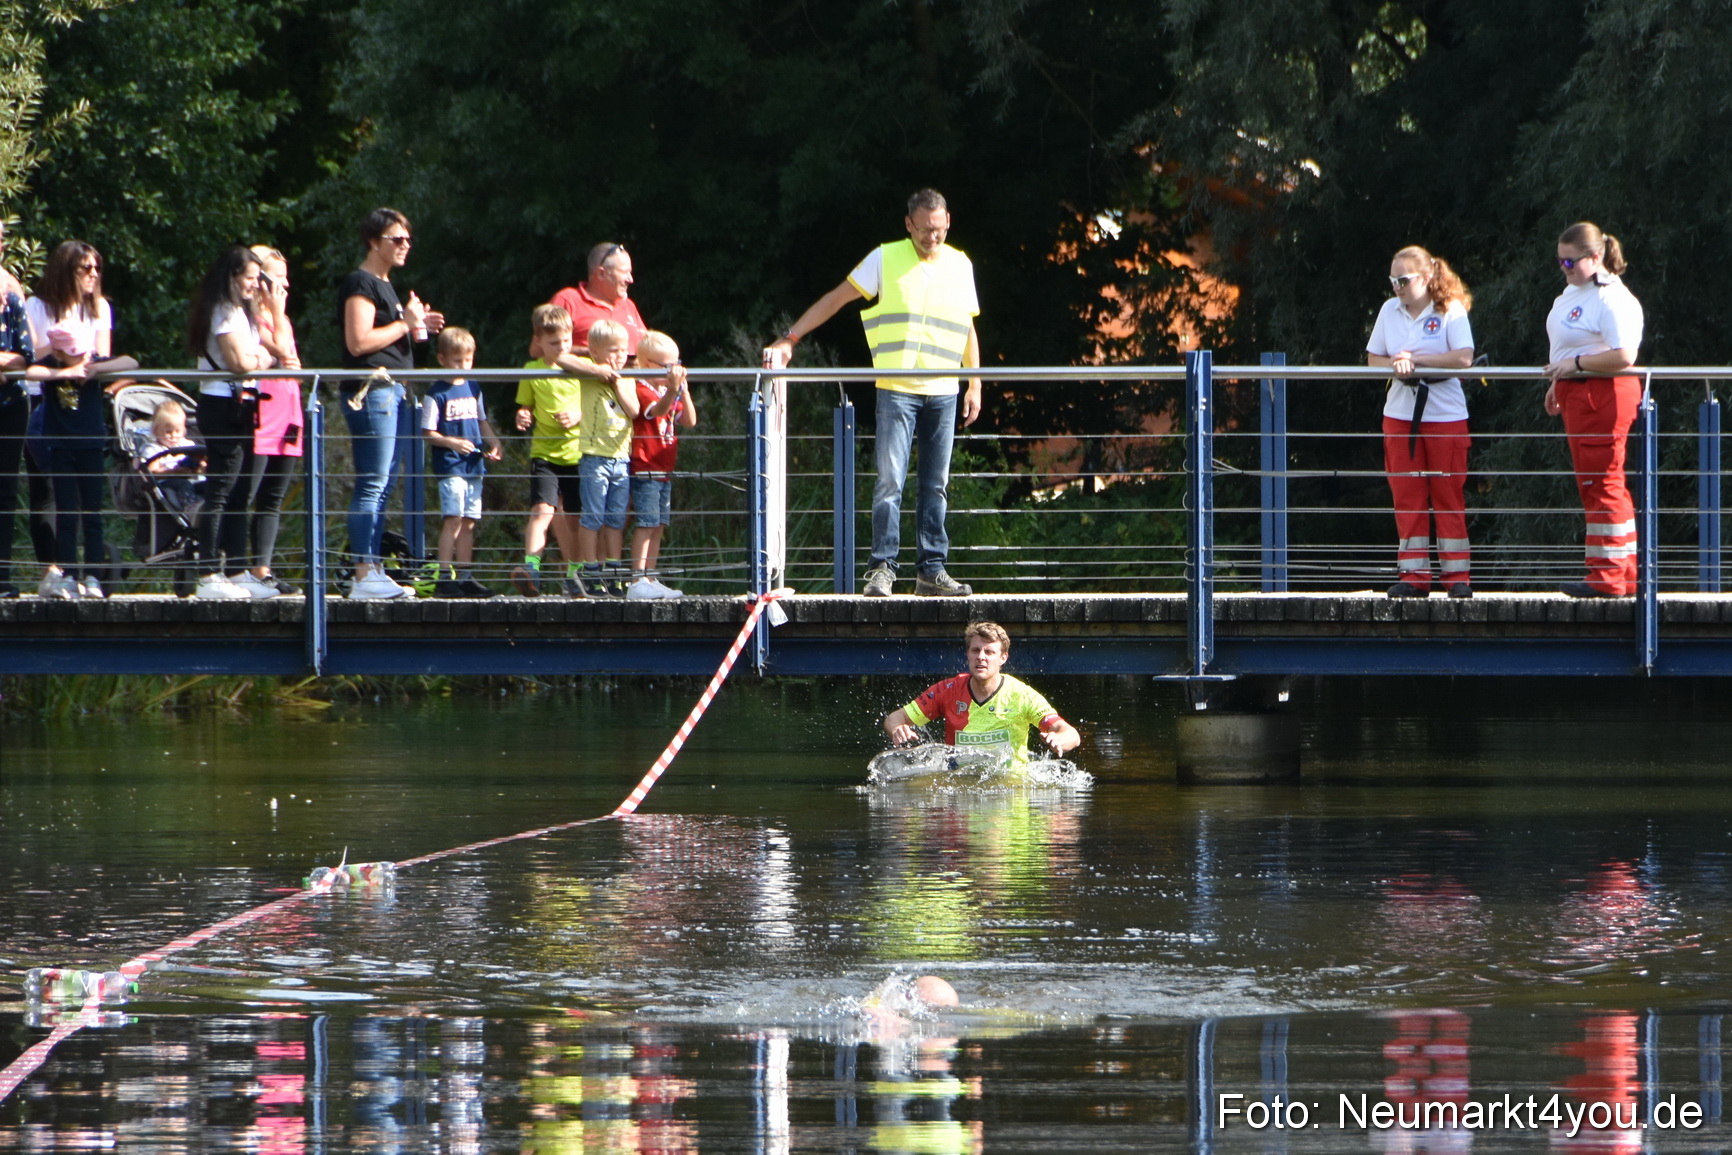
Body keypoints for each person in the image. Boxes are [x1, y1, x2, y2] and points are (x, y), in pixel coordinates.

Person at [763, 188, 982, 599]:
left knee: (936, 484)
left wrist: (975, 382)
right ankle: (882, 569)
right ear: (908, 225)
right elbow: (836, 298)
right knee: (889, 482)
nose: (931, 238)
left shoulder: (960, 264)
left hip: (944, 389)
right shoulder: (886, 257)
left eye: (938, 230)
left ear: (948, 221)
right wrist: (791, 337)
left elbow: (967, 326)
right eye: (923, 231)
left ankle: (931, 570)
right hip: (897, 389)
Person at [339, 206, 444, 600]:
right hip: (374, 392)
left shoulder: (385, 285)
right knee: (373, 483)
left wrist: (417, 325)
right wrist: (404, 322)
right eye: (396, 239)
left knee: (384, 485)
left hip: (394, 392)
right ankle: (364, 573)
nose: (405, 246)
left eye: (408, 239)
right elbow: (359, 343)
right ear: (373, 241)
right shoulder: (360, 283)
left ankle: (373, 568)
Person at [26, 240, 140, 599]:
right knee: (56, 501)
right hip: (50, 416)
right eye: (85, 268)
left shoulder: (99, 308)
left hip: (88, 419)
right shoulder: (38, 306)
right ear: (67, 270)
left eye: (96, 269)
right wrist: (60, 356)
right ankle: (61, 572)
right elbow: (30, 357)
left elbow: (114, 359)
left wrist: (87, 365)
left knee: (91, 505)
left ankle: (92, 575)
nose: (93, 275)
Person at [1365, 245, 1476, 599]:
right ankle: (1413, 577)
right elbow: (1373, 359)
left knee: (1447, 495)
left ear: (1426, 278)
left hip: (1445, 415)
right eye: (1392, 280)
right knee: (1408, 496)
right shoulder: (1388, 310)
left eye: (1404, 280)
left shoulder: (1449, 309)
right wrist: (1397, 364)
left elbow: (1464, 358)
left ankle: (1457, 578)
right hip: (1399, 414)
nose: (1397, 286)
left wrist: (1419, 361)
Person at [1542, 222, 1644, 598]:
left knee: (1602, 484)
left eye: (1571, 261)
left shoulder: (1611, 297)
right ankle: (1622, 572)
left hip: (1602, 393)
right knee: (1596, 484)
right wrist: (1560, 379)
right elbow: (1570, 347)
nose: (1565, 267)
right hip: (1578, 391)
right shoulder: (1573, 293)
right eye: (1560, 261)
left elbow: (1623, 355)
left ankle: (1609, 576)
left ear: (1595, 257)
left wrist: (1576, 366)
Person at [186, 246, 277, 600]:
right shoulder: (224, 310)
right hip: (222, 404)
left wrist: (260, 355)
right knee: (220, 489)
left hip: (239, 405)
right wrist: (264, 357)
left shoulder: (241, 311)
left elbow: (267, 351)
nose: (255, 285)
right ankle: (209, 573)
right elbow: (240, 361)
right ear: (232, 277)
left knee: (237, 490)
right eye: (250, 278)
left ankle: (237, 570)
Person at [883, 620, 1080, 769]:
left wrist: (1059, 740)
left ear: (1003, 658)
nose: (981, 657)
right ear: (967, 654)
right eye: (976, 650)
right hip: (960, 793)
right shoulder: (948, 690)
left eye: (989, 652)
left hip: (1010, 797)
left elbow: (1071, 734)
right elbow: (895, 718)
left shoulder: (1022, 695)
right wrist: (898, 728)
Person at [238, 244, 304, 598]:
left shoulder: (283, 320)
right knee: (245, 492)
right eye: (277, 278)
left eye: (285, 279)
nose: (285, 286)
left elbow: (290, 361)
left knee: (273, 498)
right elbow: (279, 350)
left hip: (289, 416)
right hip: (261, 415)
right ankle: (227, 567)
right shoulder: (250, 318)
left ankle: (261, 569)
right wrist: (276, 314)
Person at [512, 304, 587, 596]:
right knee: (541, 511)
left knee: (576, 518)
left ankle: (575, 573)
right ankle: (531, 567)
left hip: (578, 454)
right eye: (554, 343)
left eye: (566, 341)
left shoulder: (582, 368)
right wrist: (523, 415)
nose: (561, 347)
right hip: (544, 454)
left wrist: (578, 415)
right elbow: (525, 406)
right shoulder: (532, 370)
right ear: (538, 341)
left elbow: (593, 404)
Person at [420, 326, 501, 598]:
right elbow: (428, 433)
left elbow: (482, 421)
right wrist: (452, 443)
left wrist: (494, 442)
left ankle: (466, 576)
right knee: (453, 519)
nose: (463, 366)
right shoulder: (436, 393)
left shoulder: (473, 387)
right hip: (451, 465)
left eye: (468, 360)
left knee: (469, 521)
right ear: (442, 359)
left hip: (474, 466)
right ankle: (445, 576)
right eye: (457, 361)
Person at [571, 318, 640, 596]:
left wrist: (619, 383)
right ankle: (589, 570)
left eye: (623, 350)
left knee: (616, 518)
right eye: (612, 350)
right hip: (594, 457)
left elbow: (633, 410)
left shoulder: (629, 377)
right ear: (596, 351)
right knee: (592, 516)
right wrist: (596, 368)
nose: (620, 355)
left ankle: (613, 570)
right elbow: (563, 359)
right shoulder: (589, 373)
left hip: (621, 457)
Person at [626, 330, 694, 599]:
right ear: (646, 364)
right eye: (666, 366)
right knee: (646, 522)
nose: (672, 371)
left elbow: (689, 421)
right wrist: (673, 391)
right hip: (645, 465)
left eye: (675, 365)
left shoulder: (668, 389)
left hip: (664, 468)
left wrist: (683, 392)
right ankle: (636, 579)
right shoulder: (641, 388)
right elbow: (658, 410)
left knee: (659, 524)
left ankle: (650, 577)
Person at [0, 218, 39, 598]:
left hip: (10, 403)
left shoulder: (11, 293)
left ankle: (2, 574)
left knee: (6, 490)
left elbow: (26, 355)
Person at [549, 242, 648, 358]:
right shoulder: (568, 300)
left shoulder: (628, 305)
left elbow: (649, 346)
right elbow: (540, 349)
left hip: (633, 376)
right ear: (601, 273)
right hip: (586, 376)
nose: (630, 280)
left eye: (630, 273)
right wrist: (596, 354)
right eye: (624, 272)